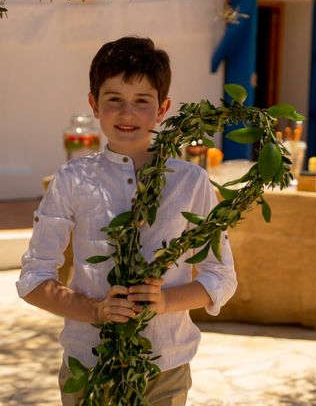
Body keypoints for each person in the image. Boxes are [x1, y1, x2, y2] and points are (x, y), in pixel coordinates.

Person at [16, 36, 238, 405]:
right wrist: (96, 310)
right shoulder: (73, 179)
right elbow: (34, 278)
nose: (127, 114)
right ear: (94, 104)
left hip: (164, 367)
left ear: (163, 108)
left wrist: (165, 302)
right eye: (114, 100)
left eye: (141, 102)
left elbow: (221, 276)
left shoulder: (191, 181)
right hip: (87, 364)